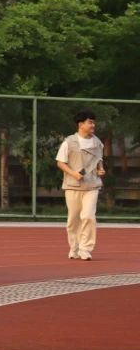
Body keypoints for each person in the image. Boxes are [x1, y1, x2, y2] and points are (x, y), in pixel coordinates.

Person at [56, 109, 106, 260]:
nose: (93, 125)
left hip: (92, 186)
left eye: (94, 122)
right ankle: (74, 248)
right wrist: (73, 173)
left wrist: (101, 169)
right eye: (90, 122)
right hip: (73, 186)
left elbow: (99, 161)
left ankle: (85, 249)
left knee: (88, 216)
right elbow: (60, 163)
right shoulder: (68, 142)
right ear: (80, 124)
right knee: (73, 220)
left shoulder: (98, 143)